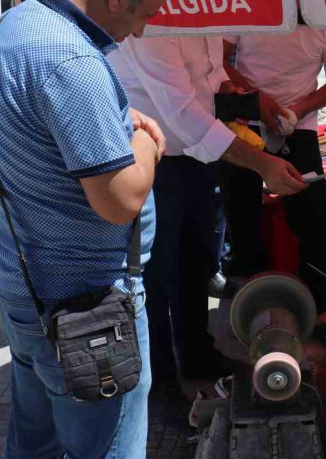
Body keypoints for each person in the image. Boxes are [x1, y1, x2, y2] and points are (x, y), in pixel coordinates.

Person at [0, 0, 173, 459]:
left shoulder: (16, 24)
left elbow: (37, 116)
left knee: (34, 442)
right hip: (87, 308)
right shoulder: (70, 60)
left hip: (23, 284)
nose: (142, 30)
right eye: (145, 12)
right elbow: (120, 199)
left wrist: (114, 121)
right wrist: (146, 144)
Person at [108, 34, 307, 401]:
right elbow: (184, 116)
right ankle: (159, 380)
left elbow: (210, 76)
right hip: (155, 158)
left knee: (197, 261)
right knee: (156, 275)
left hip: (197, 158)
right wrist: (261, 163)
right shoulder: (154, 24)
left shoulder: (205, 10)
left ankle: (197, 355)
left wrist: (233, 92)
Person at [220, 24, 326, 313]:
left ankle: (315, 307)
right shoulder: (251, 0)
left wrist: (298, 110)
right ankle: (253, 301)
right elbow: (220, 58)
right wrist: (255, 98)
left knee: (310, 216)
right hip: (245, 120)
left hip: (297, 122)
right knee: (242, 214)